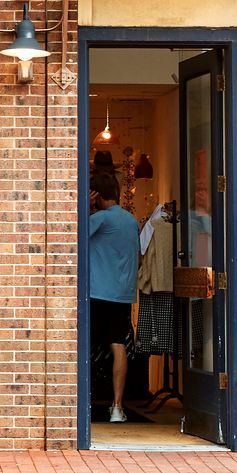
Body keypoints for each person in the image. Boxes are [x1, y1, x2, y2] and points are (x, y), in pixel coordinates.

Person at [87, 171, 141, 423]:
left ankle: (81, 399)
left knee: (85, 345)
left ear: (96, 195)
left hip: (97, 292)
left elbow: (71, 238)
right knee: (118, 346)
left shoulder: (100, 219)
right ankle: (117, 406)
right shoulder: (130, 220)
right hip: (123, 294)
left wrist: (85, 207)